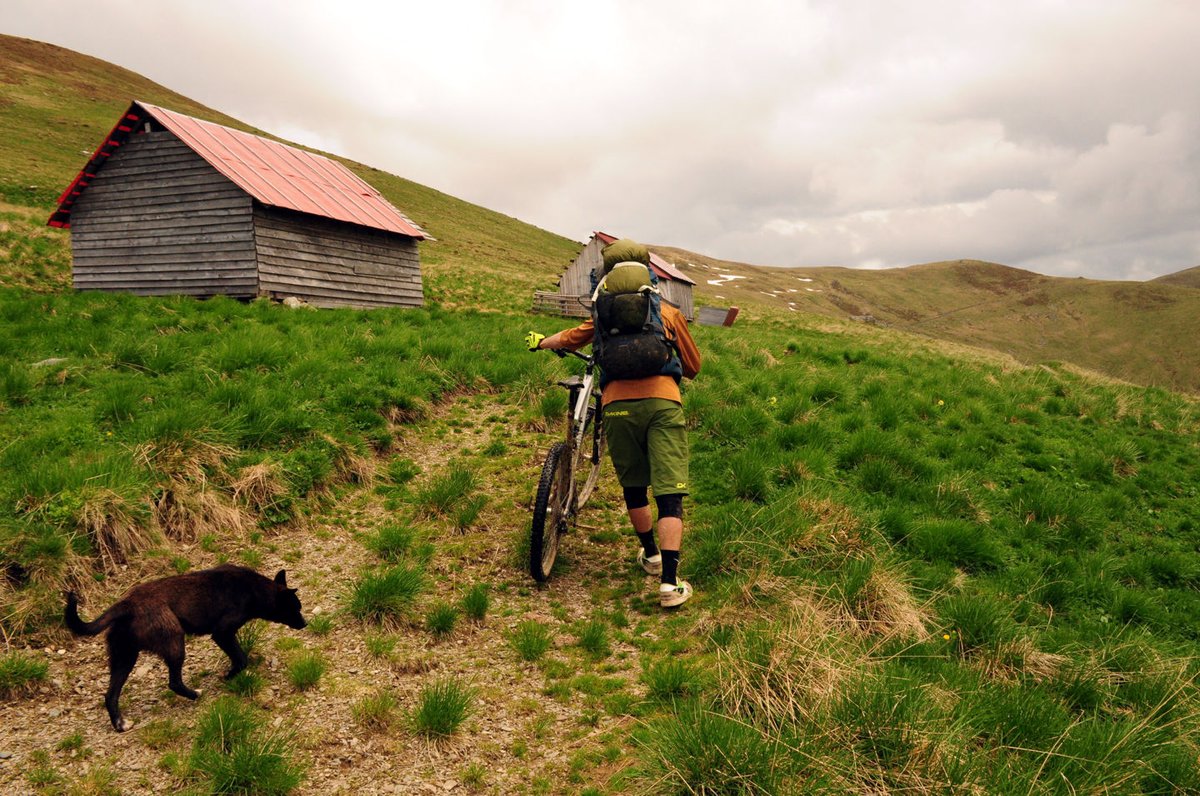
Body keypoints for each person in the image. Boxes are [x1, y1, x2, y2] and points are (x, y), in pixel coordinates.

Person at [527, 239, 701, 607]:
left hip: (617, 405)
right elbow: (693, 366)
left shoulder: (602, 318)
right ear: (650, 279)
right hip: (663, 404)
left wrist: (542, 342)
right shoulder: (666, 314)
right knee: (669, 495)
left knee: (635, 487)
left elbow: (570, 337)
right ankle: (670, 584)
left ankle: (650, 556)